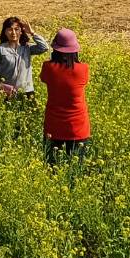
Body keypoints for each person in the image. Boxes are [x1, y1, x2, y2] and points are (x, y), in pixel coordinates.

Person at [39, 29, 90, 164]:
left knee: (52, 168)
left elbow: (43, 79)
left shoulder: (48, 67)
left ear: (55, 49)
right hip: (78, 127)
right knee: (76, 169)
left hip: (53, 126)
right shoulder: (83, 69)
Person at [0, 17, 49, 99]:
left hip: (27, 92)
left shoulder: (27, 48)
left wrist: (32, 33)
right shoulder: (0, 49)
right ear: (5, 32)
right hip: (6, 92)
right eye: (10, 29)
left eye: (16, 29)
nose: (13, 33)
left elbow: (44, 47)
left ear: (21, 32)